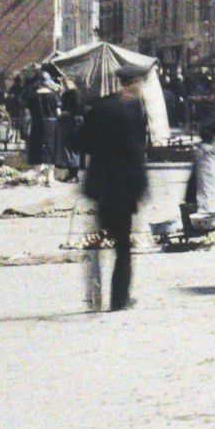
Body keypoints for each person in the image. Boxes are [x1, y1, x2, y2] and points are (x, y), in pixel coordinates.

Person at [79, 62, 153, 312]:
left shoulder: (101, 107)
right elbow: (136, 153)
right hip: (124, 187)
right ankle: (119, 299)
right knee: (122, 245)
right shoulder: (134, 110)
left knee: (98, 242)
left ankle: (94, 296)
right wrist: (142, 187)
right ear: (136, 84)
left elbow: (81, 142)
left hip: (100, 185)